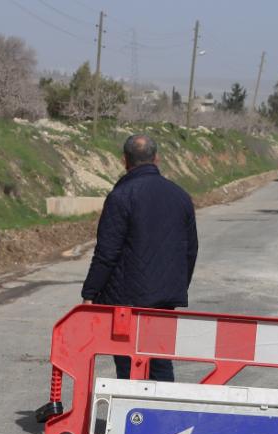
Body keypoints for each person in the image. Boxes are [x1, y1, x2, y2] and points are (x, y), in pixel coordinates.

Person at [81, 134, 198, 381]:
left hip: (125, 300)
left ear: (124, 160)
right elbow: (190, 250)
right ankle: (162, 416)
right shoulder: (180, 196)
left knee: (127, 363)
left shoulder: (121, 196)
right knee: (161, 362)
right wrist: (177, 286)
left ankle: (133, 416)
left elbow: (107, 252)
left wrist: (90, 293)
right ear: (157, 158)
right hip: (164, 298)